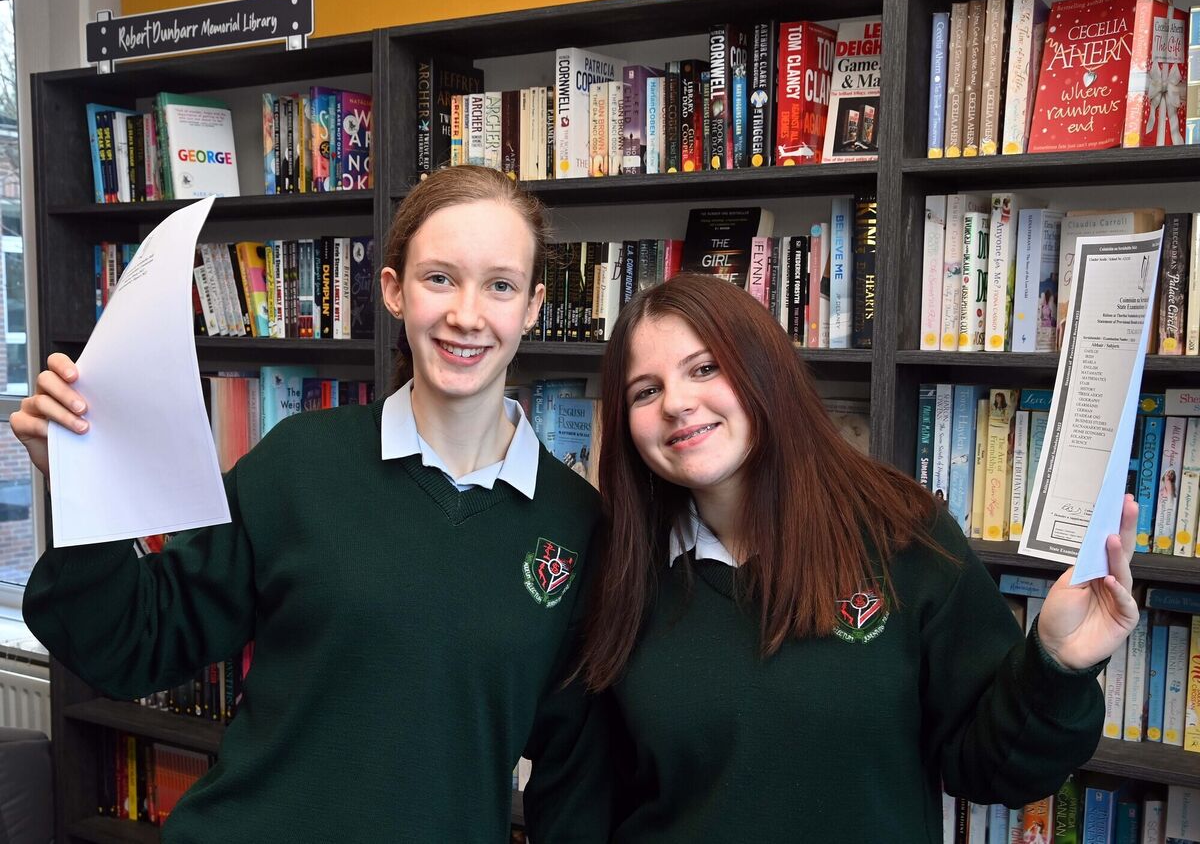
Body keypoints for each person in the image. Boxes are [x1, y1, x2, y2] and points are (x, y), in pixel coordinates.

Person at [13, 165, 609, 842]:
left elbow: (576, 774)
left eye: (498, 286)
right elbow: (133, 643)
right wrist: (83, 481)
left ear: (531, 306)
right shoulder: (298, 464)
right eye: (438, 277)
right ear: (394, 290)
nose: (466, 315)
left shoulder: (576, 525)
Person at [577, 274, 1138, 843]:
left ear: (764, 372)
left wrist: (1057, 667)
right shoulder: (620, 569)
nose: (676, 403)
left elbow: (992, 770)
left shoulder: (903, 535)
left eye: (704, 368)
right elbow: (589, 792)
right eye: (645, 391)